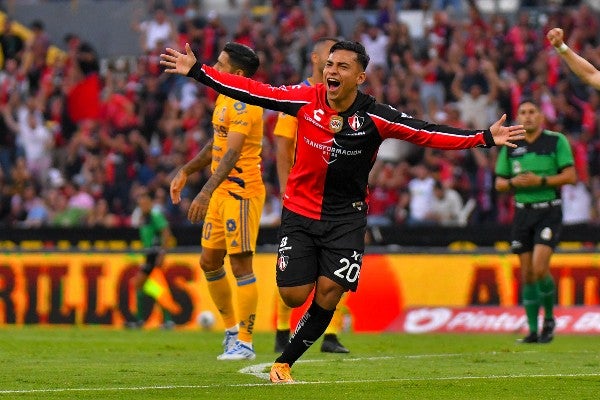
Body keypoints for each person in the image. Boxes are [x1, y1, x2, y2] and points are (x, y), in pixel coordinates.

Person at [160, 40, 524, 383]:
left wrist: (484, 137)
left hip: (346, 217)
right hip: (300, 212)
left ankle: (284, 362)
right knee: (292, 295)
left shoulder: (376, 116)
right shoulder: (305, 98)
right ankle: (300, 286)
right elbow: (257, 91)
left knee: (330, 292)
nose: (331, 71)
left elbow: (425, 132)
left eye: (342, 66)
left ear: (358, 77)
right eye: (329, 64)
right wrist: (198, 71)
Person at [169, 42, 263, 361]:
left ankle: (246, 343)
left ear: (237, 74)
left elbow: (233, 153)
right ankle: (231, 332)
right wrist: (186, 170)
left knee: (240, 265)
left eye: (221, 64)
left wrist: (205, 190)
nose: (215, 68)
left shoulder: (246, 103)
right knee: (209, 261)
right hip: (221, 192)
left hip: (241, 192)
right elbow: (217, 144)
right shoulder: (224, 95)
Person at [272, 37, 350, 355]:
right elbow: (281, 147)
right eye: (330, 56)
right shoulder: (298, 97)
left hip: (336, 200)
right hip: (301, 198)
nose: (335, 61)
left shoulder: (344, 100)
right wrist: (284, 190)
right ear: (316, 57)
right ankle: (281, 328)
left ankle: (330, 333)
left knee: (338, 267)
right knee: (294, 267)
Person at [494, 99, 576, 344]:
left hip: (548, 211)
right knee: (528, 273)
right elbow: (499, 183)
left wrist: (539, 182)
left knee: (540, 268)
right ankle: (532, 330)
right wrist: (513, 184)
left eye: (532, 112)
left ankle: (549, 319)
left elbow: (570, 176)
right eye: (523, 112)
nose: (528, 116)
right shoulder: (511, 144)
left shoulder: (556, 141)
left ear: (541, 116)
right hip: (522, 213)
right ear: (518, 117)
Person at [129, 189, 176, 329]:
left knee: (147, 286)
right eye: (140, 204)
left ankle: (164, 321)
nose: (142, 206)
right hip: (149, 255)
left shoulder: (155, 215)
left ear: (150, 203)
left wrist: (162, 254)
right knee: (145, 286)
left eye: (145, 203)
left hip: (155, 255)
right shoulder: (144, 217)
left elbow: (166, 233)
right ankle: (147, 320)